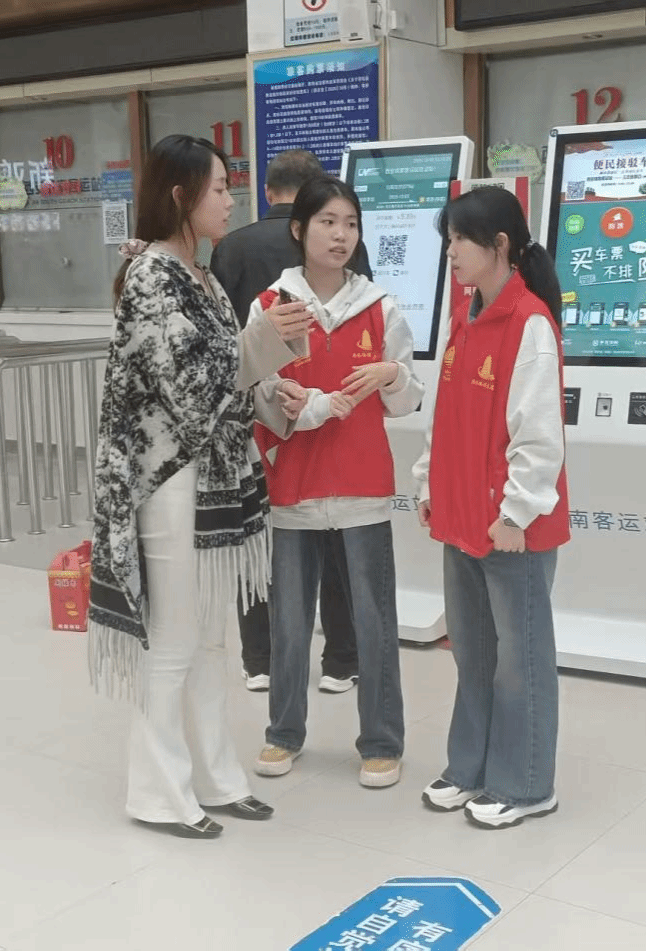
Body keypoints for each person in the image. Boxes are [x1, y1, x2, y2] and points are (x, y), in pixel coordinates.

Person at [86, 134, 314, 839]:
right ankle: (158, 792)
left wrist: (272, 387)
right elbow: (190, 388)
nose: (230, 200)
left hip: (211, 478)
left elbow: (228, 375)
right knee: (174, 639)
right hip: (168, 480)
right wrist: (263, 341)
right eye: (219, 188)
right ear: (181, 196)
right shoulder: (152, 276)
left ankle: (215, 776)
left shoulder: (204, 278)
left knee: (210, 639)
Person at [248, 175, 421, 788]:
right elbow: (252, 393)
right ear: (299, 229)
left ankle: (381, 741)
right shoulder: (271, 307)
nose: (340, 234)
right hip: (293, 486)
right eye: (327, 222)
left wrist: (391, 376)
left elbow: (407, 399)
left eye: (350, 223)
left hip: (362, 483)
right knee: (289, 623)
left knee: (374, 622)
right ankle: (283, 733)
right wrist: (282, 397)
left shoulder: (381, 307)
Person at [412, 187, 570, 829]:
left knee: (519, 659)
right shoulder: (464, 317)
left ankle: (527, 783)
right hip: (461, 517)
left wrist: (516, 513)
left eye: (460, 240)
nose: (450, 252)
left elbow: (539, 438)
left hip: (509, 527)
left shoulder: (529, 324)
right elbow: (444, 417)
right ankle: (470, 767)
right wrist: (429, 484)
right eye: (447, 240)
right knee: (473, 652)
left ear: (499, 245)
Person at [211, 149, 369, 695]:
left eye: (346, 223)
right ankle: (341, 660)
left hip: (257, 414)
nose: (338, 234)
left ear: (267, 190)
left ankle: (259, 659)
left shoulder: (232, 246)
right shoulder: (342, 251)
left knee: (259, 540)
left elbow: (223, 339)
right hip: (333, 411)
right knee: (336, 544)